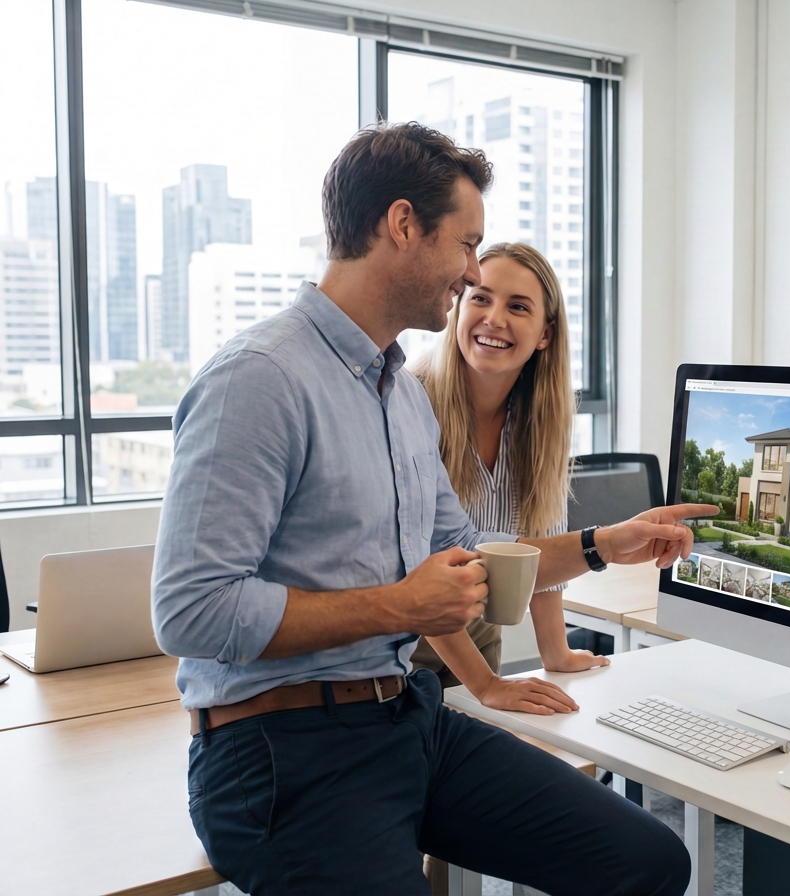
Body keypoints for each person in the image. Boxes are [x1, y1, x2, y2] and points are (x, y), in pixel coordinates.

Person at [152, 121, 709, 896]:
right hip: (279, 751)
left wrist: (600, 544)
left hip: (405, 720)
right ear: (403, 225)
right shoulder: (259, 379)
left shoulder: (394, 393)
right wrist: (400, 605)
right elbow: (191, 612)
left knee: (649, 862)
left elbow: (463, 547)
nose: (471, 271)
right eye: (466, 245)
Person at [409, 241, 607, 712]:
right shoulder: (411, 402)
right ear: (457, 308)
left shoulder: (540, 424)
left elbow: (542, 540)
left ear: (544, 335)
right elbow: (417, 560)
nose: (494, 318)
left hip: (477, 639)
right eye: (479, 297)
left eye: (518, 307)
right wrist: (485, 685)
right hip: (405, 642)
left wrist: (554, 654)